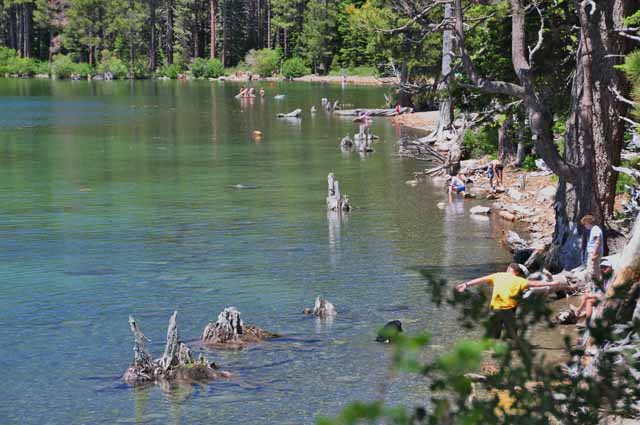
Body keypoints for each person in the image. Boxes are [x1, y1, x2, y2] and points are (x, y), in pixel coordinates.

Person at [456, 263, 561, 339]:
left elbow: (481, 279)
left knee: (494, 336)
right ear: (517, 272)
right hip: (508, 310)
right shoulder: (520, 280)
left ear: (509, 269)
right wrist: (551, 284)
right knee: (512, 335)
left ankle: (492, 353)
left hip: (495, 309)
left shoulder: (497, 275)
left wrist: (465, 284)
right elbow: (536, 284)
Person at [573, 258, 614, 323]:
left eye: (605, 267)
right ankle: (587, 320)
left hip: (608, 297)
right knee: (589, 301)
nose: (603, 269)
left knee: (586, 296)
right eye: (602, 267)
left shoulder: (613, 277)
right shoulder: (605, 277)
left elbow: (608, 291)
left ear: (610, 267)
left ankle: (578, 310)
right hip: (604, 296)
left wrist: (595, 294)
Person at [581, 214, 604, 292]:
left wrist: (594, 254)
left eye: (584, 224)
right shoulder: (594, 229)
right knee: (596, 270)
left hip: (593, 253)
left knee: (591, 271)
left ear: (588, 222)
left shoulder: (595, 229)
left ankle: (593, 289)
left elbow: (597, 242)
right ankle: (597, 288)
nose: (584, 226)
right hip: (593, 252)